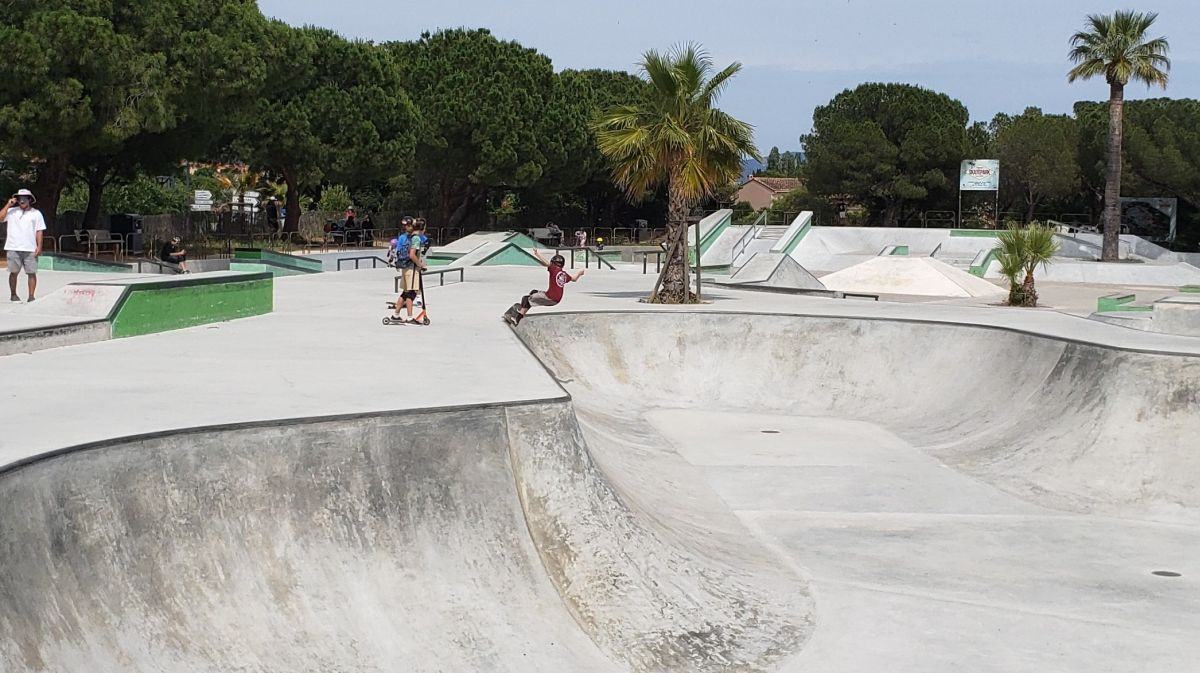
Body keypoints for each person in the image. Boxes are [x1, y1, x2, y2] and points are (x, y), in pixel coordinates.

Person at [503, 249, 585, 325]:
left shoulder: (554, 269)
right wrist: (580, 273)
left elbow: (547, 263)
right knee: (534, 292)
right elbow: (574, 279)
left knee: (526, 299)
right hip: (556, 298)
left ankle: (517, 318)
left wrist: (537, 254)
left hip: (550, 298)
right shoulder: (564, 274)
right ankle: (522, 310)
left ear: (553, 263)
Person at [2, 189, 46, 302]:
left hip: (30, 248)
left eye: (25, 198)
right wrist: (8, 204)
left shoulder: (36, 213)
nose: (22, 200)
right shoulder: (11, 211)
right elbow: (1, 217)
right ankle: (13, 294)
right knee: (13, 272)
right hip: (13, 247)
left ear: (30, 200)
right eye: (20, 198)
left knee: (31, 273)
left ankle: (31, 296)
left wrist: (39, 246)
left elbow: (39, 231)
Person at [389, 219, 426, 324]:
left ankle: (396, 315)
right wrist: (420, 264)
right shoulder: (416, 239)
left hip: (405, 267)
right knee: (411, 292)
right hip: (411, 268)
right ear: (421, 229)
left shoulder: (407, 237)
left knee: (405, 292)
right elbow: (412, 255)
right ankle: (410, 317)